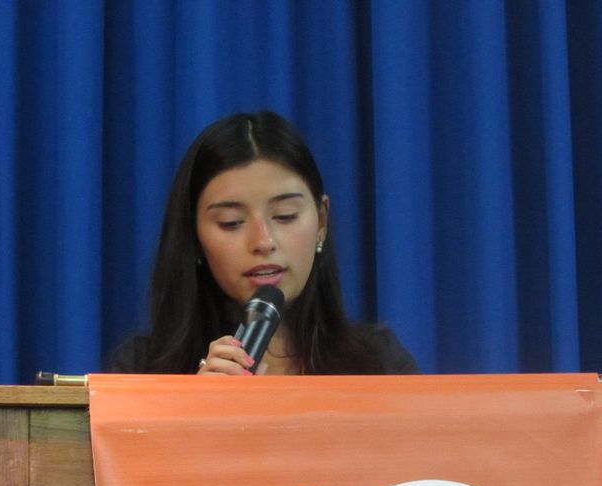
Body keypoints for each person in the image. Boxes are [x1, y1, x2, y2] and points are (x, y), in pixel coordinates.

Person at [108, 110, 418, 376]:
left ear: (321, 221)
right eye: (231, 222)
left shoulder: (380, 364)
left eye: (285, 216)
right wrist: (195, 409)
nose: (263, 241)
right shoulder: (141, 369)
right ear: (194, 236)